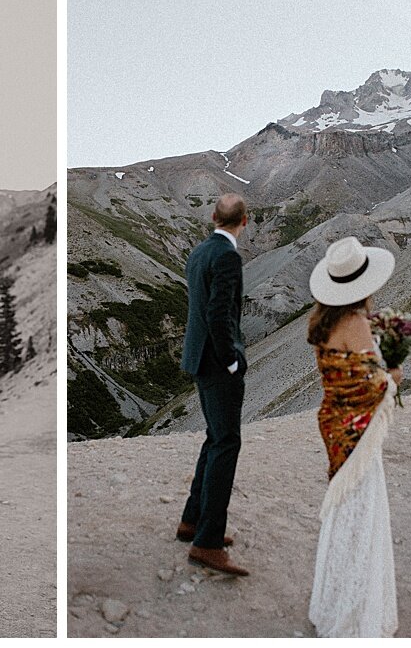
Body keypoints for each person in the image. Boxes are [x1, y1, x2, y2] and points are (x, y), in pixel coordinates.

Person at [306, 235, 402, 637]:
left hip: (334, 423)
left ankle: (332, 597)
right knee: (362, 511)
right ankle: (355, 609)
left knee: (344, 507)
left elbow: (342, 379)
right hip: (358, 431)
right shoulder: (356, 323)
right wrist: (394, 375)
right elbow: (372, 383)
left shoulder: (322, 323)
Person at [176, 193, 250, 576]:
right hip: (217, 361)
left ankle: (192, 520)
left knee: (214, 437)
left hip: (198, 357)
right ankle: (207, 542)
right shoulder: (227, 257)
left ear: (212, 216)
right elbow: (219, 313)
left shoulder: (199, 251)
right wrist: (233, 360)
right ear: (246, 221)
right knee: (226, 443)